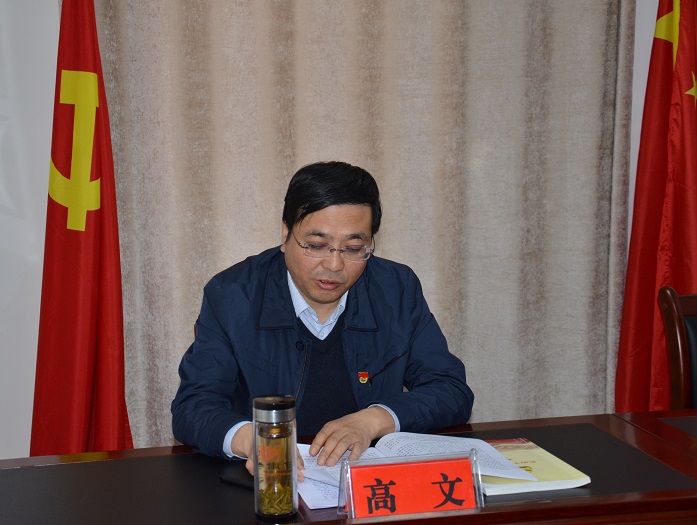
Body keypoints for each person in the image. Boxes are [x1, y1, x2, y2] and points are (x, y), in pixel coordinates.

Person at [171, 161, 474, 475]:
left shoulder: (396, 289)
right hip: (267, 481)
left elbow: (450, 390)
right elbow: (193, 407)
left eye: (353, 248)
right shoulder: (233, 296)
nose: (334, 265)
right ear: (286, 232)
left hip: (369, 480)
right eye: (317, 245)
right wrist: (254, 439)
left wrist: (374, 419)